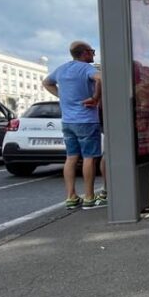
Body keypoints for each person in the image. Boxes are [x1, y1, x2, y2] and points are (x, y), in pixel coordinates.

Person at [42, 41, 105, 209]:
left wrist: (62, 96)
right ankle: (90, 197)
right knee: (89, 158)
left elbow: (46, 82)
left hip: (67, 121)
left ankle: (71, 196)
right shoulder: (86, 69)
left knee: (71, 158)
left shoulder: (62, 69)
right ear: (84, 53)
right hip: (86, 120)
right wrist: (96, 97)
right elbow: (101, 78)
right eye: (92, 51)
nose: (93, 54)